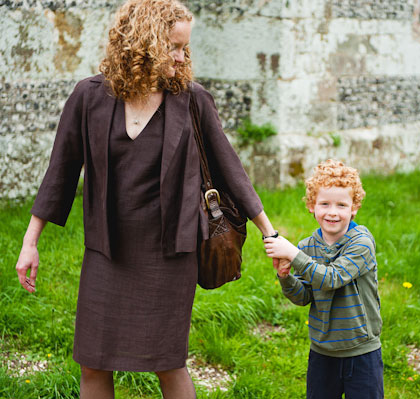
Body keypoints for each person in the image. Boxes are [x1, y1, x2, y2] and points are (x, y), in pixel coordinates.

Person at [14, 0, 278, 397]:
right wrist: (29, 242)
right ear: (144, 42)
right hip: (107, 251)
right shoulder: (88, 97)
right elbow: (60, 172)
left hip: (170, 254)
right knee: (93, 361)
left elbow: (230, 170)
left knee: (168, 364)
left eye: (185, 47)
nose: (182, 55)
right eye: (173, 45)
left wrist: (271, 237)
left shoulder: (191, 99)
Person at [264, 159, 384, 399]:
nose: (332, 212)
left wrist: (294, 255)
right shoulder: (307, 247)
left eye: (341, 205)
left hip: (361, 351)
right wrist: (285, 276)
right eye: (325, 203)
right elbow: (304, 296)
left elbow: (332, 278)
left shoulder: (360, 242)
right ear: (312, 205)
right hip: (322, 351)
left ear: (354, 207)